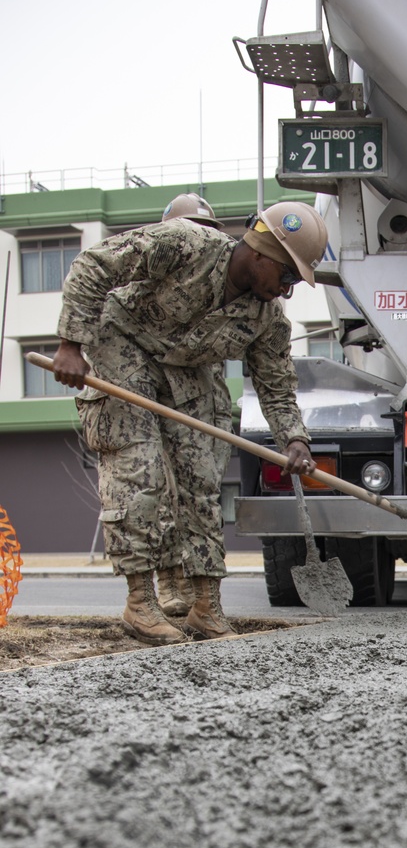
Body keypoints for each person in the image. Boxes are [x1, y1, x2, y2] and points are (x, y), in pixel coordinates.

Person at [52, 201, 327, 644]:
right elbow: (93, 265)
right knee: (139, 470)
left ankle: (205, 606)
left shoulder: (267, 320)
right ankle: (140, 603)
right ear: (261, 252)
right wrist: (70, 344)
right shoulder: (185, 244)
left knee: (200, 480)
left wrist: (294, 439)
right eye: (288, 275)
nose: (287, 289)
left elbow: (276, 386)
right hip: (123, 344)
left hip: (186, 368)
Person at [155, 194, 228, 619]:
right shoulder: (156, 283)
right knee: (165, 493)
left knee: (204, 494)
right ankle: (170, 580)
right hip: (166, 398)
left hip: (212, 402)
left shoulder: (218, 285)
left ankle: (198, 581)